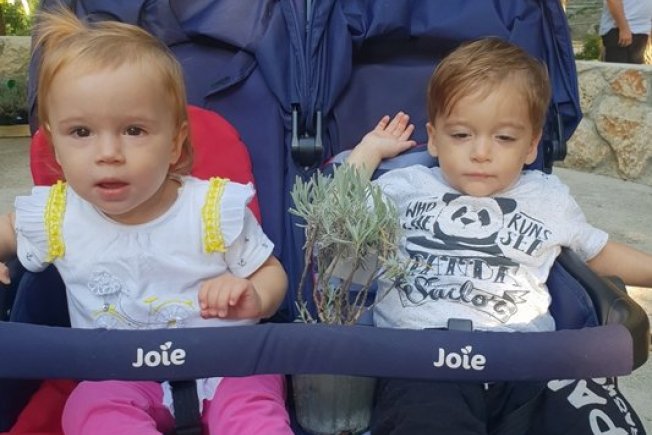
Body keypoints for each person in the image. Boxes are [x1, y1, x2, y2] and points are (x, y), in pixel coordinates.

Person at [0, 8, 292, 435]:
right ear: (55, 146)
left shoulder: (212, 209)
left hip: (228, 365)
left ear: (175, 142)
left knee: (253, 410)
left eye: (133, 131)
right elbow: (7, 232)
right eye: (81, 133)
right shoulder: (57, 215)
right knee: (88, 408)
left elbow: (272, 271)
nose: (108, 154)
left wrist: (255, 295)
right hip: (117, 374)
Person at [346, 37, 652, 434]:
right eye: (461, 135)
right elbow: (336, 218)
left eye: (504, 138)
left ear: (531, 145)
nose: (481, 152)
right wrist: (369, 150)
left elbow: (598, 253)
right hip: (423, 360)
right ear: (434, 138)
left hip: (529, 360)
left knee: (595, 419)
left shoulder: (546, 196)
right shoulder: (405, 186)